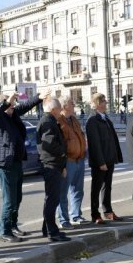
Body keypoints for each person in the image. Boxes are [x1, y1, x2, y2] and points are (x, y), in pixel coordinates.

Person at [0, 91, 45, 243]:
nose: (12, 106)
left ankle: (13, 225)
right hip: (5, 164)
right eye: (9, 104)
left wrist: (39, 97)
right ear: (1, 105)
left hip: (17, 161)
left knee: (17, 198)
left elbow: (25, 106)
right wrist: (6, 102)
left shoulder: (12, 114)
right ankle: (4, 231)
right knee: (9, 200)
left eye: (13, 104)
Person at [85, 93, 123, 224]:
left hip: (109, 158)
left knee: (107, 187)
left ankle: (108, 211)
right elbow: (94, 144)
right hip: (100, 162)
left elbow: (112, 139)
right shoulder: (92, 120)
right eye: (104, 101)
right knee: (96, 188)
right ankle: (95, 214)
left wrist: (115, 156)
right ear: (97, 104)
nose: (106, 103)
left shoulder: (105, 118)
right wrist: (101, 162)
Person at [37, 98, 70, 242]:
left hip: (54, 164)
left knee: (52, 198)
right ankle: (52, 232)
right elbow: (49, 143)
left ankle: (48, 229)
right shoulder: (47, 122)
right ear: (53, 110)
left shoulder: (49, 120)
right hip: (51, 165)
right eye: (59, 109)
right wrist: (63, 152)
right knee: (52, 199)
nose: (61, 111)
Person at [56, 96, 89, 228]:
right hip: (68, 160)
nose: (74, 104)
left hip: (79, 159)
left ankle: (76, 215)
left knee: (78, 190)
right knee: (63, 192)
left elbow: (80, 135)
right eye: (71, 103)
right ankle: (63, 220)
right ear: (64, 106)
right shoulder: (59, 121)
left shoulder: (74, 119)